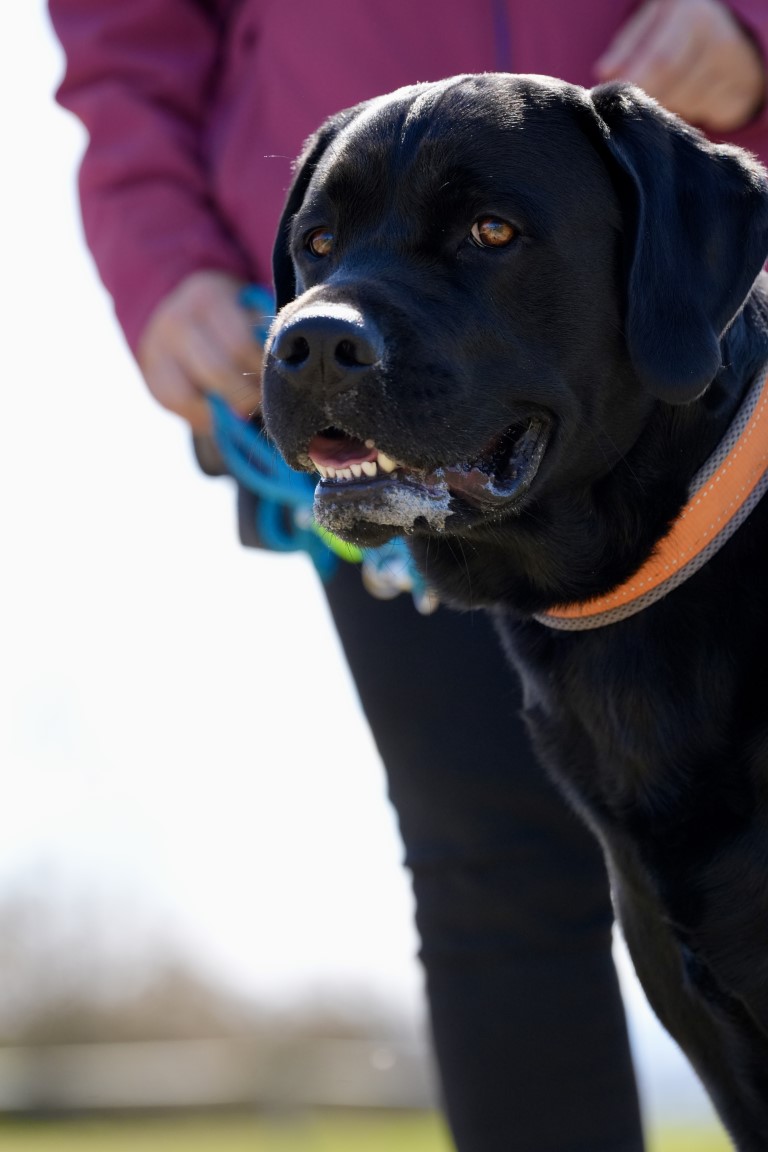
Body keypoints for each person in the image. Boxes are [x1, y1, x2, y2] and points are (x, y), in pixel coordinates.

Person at [47, 2, 767, 1149]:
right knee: (491, 876)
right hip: (372, 305)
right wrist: (162, 257)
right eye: (319, 254)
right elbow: (123, 35)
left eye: (485, 232)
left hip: (680, 304)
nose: (323, 314)